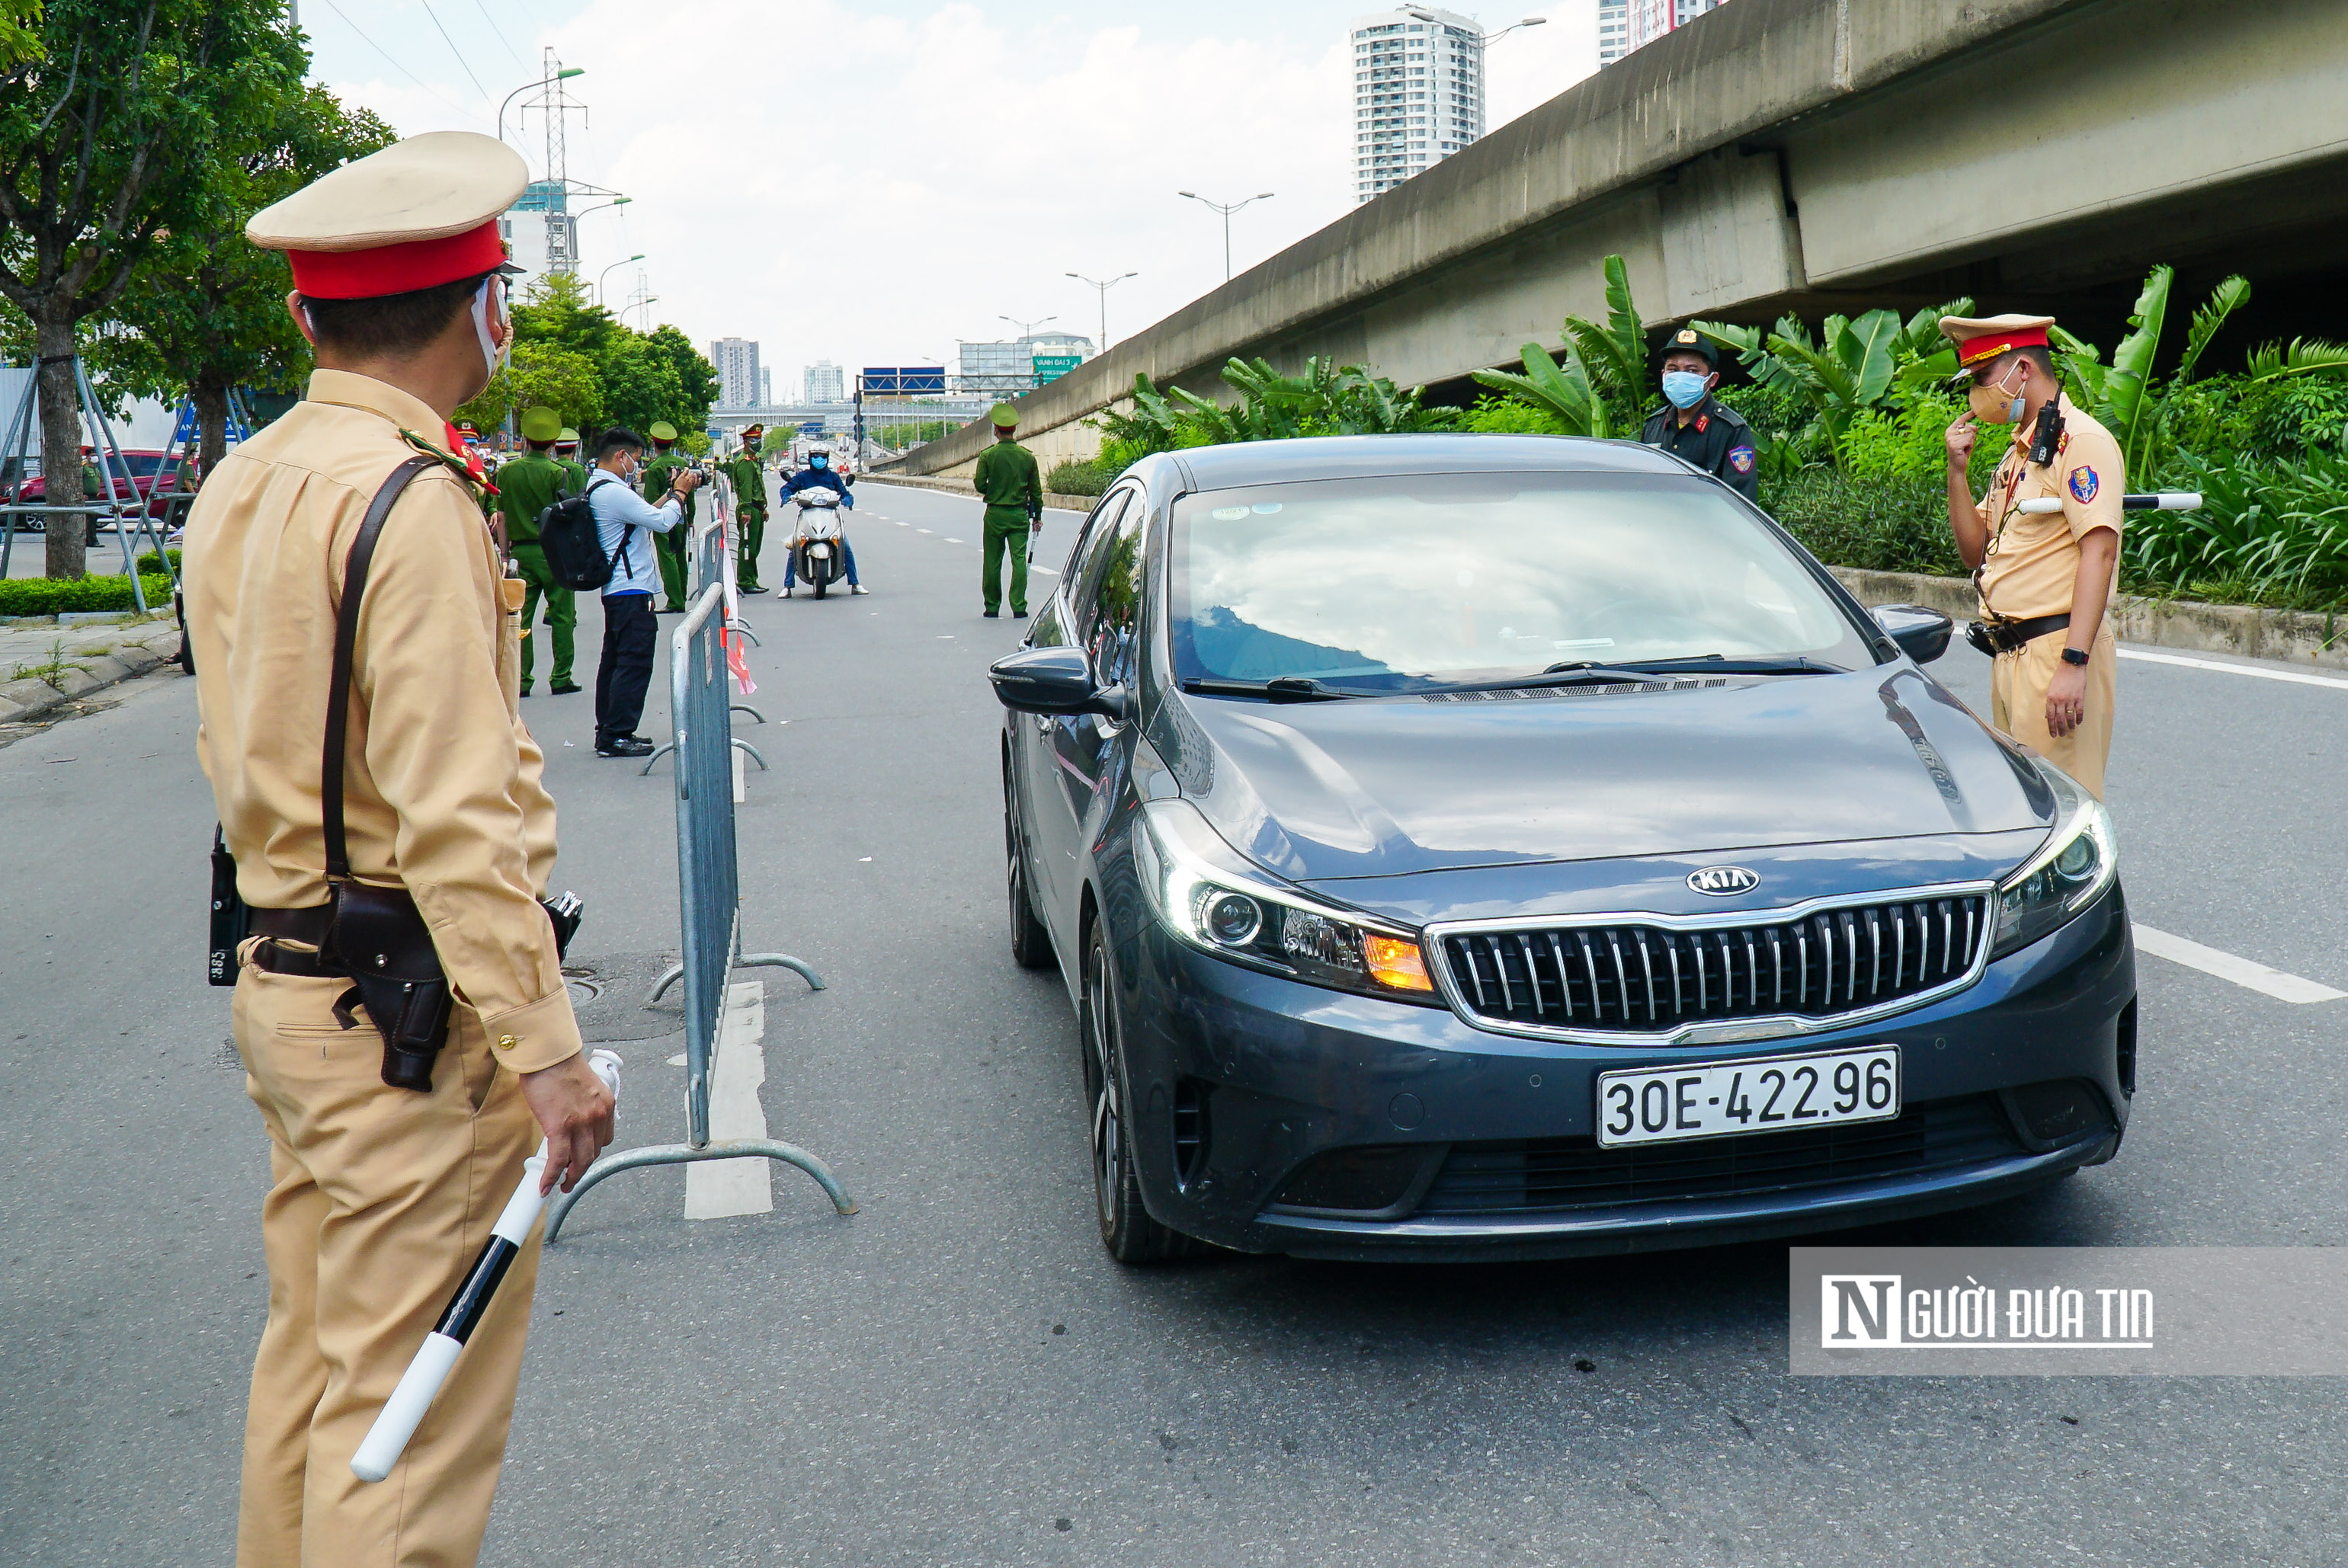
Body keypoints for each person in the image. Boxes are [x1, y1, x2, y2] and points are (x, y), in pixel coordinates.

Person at [184, 130, 613, 1568]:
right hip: (408, 1027)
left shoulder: (242, 479)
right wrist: (547, 1051)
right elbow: (453, 815)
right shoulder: (412, 500)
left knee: (312, 1372)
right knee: (404, 1427)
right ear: (487, 309)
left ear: (310, 315)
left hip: (288, 985)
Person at [1942, 312, 2123, 798]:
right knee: (2025, 809)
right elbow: (1974, 551)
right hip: (2011, 655)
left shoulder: (2079, 442)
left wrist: (2073, 662)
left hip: (2054, 649)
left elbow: (2100, 552)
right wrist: (1957, 472)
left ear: (2021, 370)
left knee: (2064, 806)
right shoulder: (2020, 451)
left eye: (1982, 379)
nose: (1976, 393)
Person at [587, 425, 699, 757]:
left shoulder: (601, 485)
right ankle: (619, 734)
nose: (639, 465)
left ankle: (608, 730)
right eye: (636, 459)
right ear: (621, 456)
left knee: (614, 661)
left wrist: (670, 494)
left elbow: (645, 514)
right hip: (631, 589)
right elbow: (663, 523)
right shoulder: (615, 491)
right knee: (633, 662)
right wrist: (679, 494)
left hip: (618, 589)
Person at [494, 405, 580, 696]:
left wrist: (505, 556)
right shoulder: (560, 473)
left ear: (525, 440)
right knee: (562, 616)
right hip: (554, 554)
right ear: (554, 444)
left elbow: (501, 517)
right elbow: (567, 518)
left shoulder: (506, 472)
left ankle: (521, 680)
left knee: (520, 618)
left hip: (521, 553)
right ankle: (561, 677)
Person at [1638, 328, 1760, 500]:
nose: (1681, 377)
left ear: (1712, 380)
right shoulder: (1654, 425)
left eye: (1692, 371)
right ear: (1663, 375)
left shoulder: (1730, 430)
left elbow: (1741, 500)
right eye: (1673, 369)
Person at [973, 402, 1042, 618]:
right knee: (1019, 560)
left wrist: (993, 489)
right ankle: (1019, 606)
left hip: (995, 514)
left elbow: (979, 484)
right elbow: (1036, 492)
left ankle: (992, 607)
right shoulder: (1027, 457)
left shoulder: (987, 456)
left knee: (992, 561)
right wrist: (1037, 517)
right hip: (1019, 515)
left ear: (996, 430)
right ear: (1014, 429)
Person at [777, 443, 867, 596]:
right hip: (808, 515)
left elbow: (844, 493)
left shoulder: (833, 477)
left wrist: (847, 500)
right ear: (811, 458)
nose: (819, 459)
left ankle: (855, 583)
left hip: (830, 516)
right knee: (796, 546)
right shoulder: (803, 477)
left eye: (822, 457)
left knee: (845, 546)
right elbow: (787, 488)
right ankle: (787, 586)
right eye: (816, 456)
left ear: (827, 458)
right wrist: (787, 496)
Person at [722, 426, 770, 594]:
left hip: (756, 508)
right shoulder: (745, 462)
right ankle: (745, 581)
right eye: (754, 440)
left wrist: (763, 507)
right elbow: (745, 489)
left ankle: (752, 578)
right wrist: (746, 511)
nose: (757, 443)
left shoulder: (753, 460)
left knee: (754, 546)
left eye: (759, 439)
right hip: (749, 510)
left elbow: (758, 488)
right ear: (745, 442)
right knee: (748, 546)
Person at [553, 426, 586, 492]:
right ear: (575, 450)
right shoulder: (578, 469)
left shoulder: (551, 467)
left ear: (555, 449)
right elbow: (583, 495)